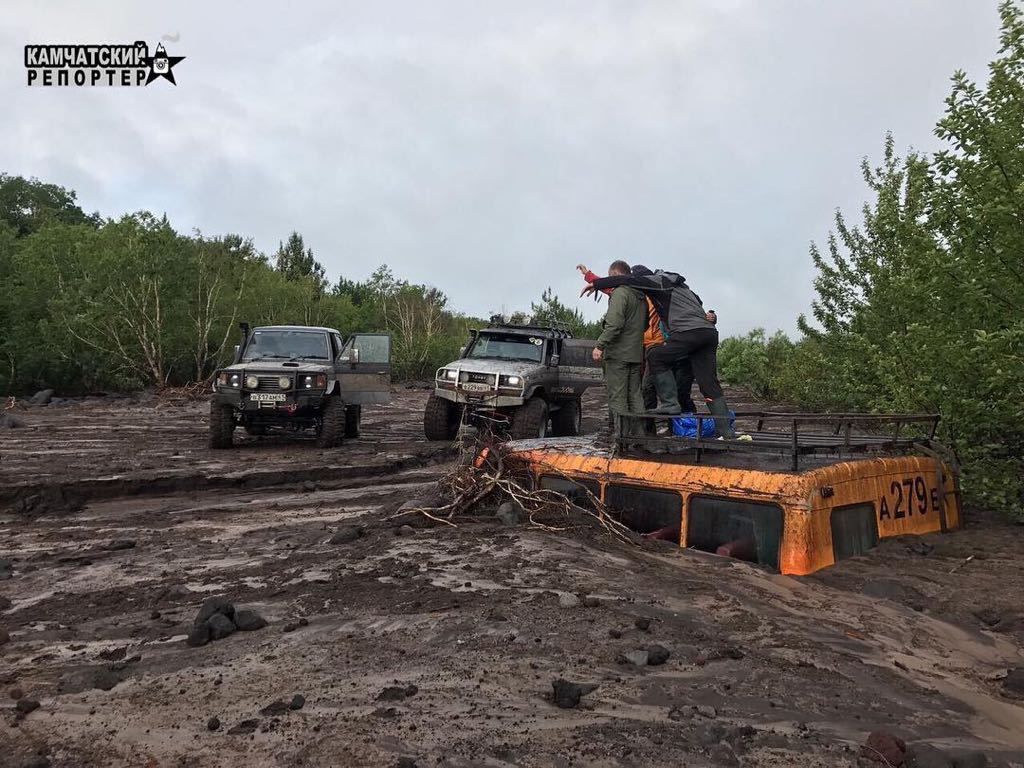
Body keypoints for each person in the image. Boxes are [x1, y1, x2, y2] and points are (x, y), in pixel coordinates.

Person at [583, 269, 738, 439]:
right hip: (708, 334)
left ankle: (670, 404)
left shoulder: (658, 282)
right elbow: (700, 304)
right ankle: (726, 432)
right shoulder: (684, 287)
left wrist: (596, 284)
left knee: (656, 356)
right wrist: (712, 316)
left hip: (688, 333)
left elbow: (627, 279)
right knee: (709, 384)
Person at [591, 260, 647, 437]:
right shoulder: (641, 296)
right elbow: (645, 325)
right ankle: (640, 437)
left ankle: (621, 439)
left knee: (618, 397)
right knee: (635, 396)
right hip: (635, 354)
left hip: (618, 355)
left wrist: (600, 345)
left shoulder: (620, 293)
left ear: (614, 275)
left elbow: (614, 324)